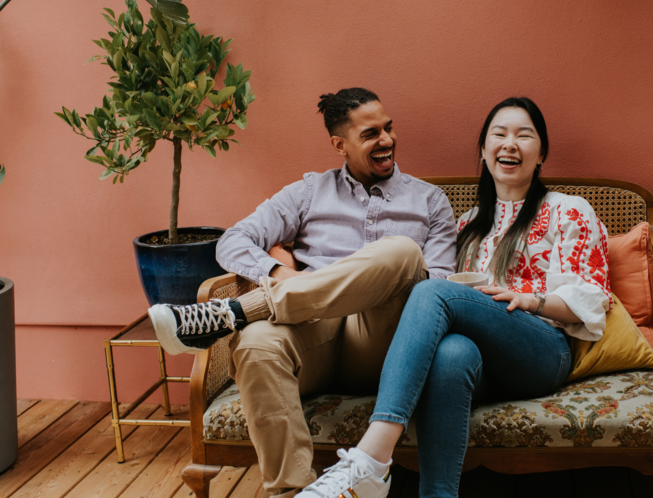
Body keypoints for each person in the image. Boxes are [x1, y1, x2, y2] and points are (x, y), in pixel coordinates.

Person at [147, 87, 457, 498]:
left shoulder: (429, 201)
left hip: (387, 342)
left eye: (388, 128)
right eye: (370, 134)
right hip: (314, 331)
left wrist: (377, 277)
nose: (386, 141)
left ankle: (234, 312)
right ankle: (291, 492)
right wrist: (280, 272)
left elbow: (437, 289)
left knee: (400, 251)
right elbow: (234, 241)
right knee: (256, 342)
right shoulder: (310, 193)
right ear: (339, 144)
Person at [300, 97, 612, 498]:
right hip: (481, 361)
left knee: (433, 292)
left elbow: (592, 299)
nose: (510, 144)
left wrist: (530, 300)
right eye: (498, 135)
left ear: (542, 153)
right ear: (483, 152)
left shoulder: (569, 210)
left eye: (524, 135)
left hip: (541, 349)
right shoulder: (465, 224)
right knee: (451, 354)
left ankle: (372, 458)